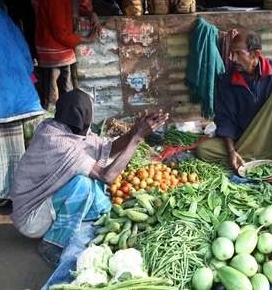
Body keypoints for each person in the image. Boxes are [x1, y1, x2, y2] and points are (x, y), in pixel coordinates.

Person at [10, 89, 168, 268]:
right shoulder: (60, 144)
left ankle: (85, 218)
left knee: (89, 182)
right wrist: (137, 138)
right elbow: (106, 176)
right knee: (84, 184)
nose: (92, 117)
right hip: (31, 218)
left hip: (45, 201)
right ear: (82, 115)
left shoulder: (64, 128)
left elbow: (107, 148)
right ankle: (50, 244)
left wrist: (135, 131)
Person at [196, 31, 272, 170]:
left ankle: (267, 154)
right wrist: (231, 151)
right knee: (204, 150)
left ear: (255, 54)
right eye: (231, 53)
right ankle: (263, 157)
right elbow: (226, 119)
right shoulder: (228, 79)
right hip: (246, 138)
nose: (232, 58)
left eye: (238, 53)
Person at [0, 0, 43, 205]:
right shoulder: (0, 14)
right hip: (15, 95)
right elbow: (23, 50)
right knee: (16, 149)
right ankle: (16, 193)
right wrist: (27, 77)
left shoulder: (0, 14)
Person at [35, 0, 101, 111]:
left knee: (67, 97)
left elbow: (73, 11)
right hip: (53, 55)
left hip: (63, 54)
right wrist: (87, 39)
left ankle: (68, 126)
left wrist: (91, 14)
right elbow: (60, 33)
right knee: (52, 101)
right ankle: (51, 128)